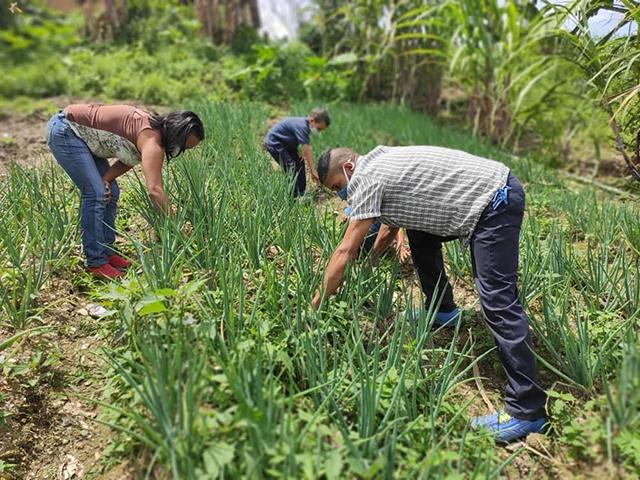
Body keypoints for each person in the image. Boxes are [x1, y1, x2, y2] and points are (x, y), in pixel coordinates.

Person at [311, 145, 547, 442]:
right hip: (486, 190)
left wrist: (317, 303)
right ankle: (442, 311)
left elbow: (346, 249)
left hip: (493, 201)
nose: (341, 195)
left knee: (498, 301)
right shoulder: (380, 159)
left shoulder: (366, 177)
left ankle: (528, 410)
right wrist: (371, 263)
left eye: (338, 187)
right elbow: (388, 227)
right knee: (419, 233)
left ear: (348, 167)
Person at [45, 104, 205, 279]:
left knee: (110, 191)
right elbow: (155, 191)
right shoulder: (153, 141)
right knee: (95, 193)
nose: (178, 151)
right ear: (177, 135)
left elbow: (128, 158)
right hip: (67, 130)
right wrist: (177, 229)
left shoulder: (152, 133)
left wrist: (106, 179)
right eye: (183, 147)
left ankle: (106, 250)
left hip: (84, 139)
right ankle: (96, 261)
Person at [263, 108, 330, 197]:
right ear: (312, 120)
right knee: (291, 167)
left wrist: (300, 152)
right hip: (275, 143)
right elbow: (306, 149)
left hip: (286, 145)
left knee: (300, 162)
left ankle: (301, 193)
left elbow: (302, 145)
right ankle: (292, 197)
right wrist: (312, 171)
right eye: (319, 128)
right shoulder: (302, 126)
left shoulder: (305, 125)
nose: (318, 131)